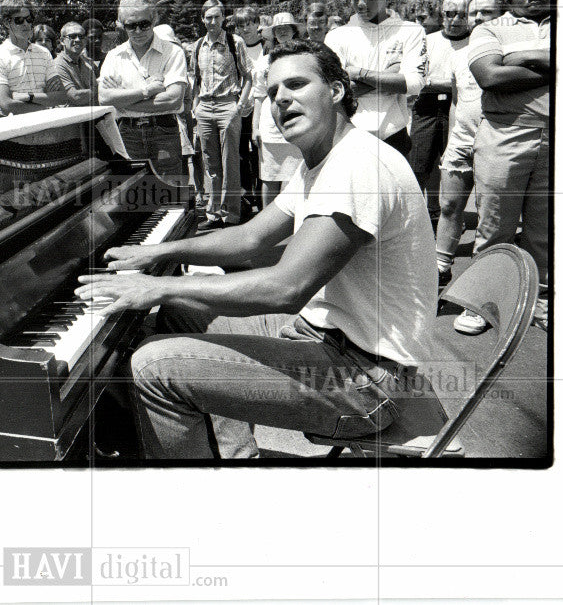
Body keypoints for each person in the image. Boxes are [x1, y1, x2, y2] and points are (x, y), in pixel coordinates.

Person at [76, 40, 436, 459]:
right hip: (324, 334)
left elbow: (286, 289)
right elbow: (251, 237)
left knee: (153, 366)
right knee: (184, 314)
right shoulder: (327, 158)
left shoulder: (357, 166)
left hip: (368, 380)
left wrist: (157, 288)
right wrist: (161, 252)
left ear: (337, 91)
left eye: (297, 84)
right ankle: (235, 455)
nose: (281, 99)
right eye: (273, 91)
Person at [456, 0, 553, 334]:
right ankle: (483, 300)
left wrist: (524, 59)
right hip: (505, 135)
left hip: (561, 139)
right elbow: (490, 77)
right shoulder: (490, 29)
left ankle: (539, 300)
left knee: (544, 229)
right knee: (495, 224)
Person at [435, 0, 504, 289]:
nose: (477, 19)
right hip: (461, 141)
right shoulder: (459, 55)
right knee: (449, 205)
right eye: (473, 13)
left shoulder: (508, 54)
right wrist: (451, 139)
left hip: (496, 141)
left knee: (492, 217)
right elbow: (456, 100)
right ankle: (440, 268)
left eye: (485, 13)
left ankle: (483, 283)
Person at [324, 0, 428, 157]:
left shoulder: (411, 31)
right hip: (349, 135)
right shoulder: (336, 36)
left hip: (393, 135)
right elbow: (333, 91)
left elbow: (414, 84)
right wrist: (391, 75)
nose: (362, 4)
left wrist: (358, 73)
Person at [99, 0, 188, 184]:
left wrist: (123, 103)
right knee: (134, 195)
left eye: (144, 24)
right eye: (131, 25)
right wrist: (147, 91)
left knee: (170, 192)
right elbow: (104, 98)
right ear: (121, 25)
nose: (138, 30)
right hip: (127, 135)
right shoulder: (114, 56)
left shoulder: (173, 52)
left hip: (163, 130)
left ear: (154, 19)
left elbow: (173, 99)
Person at [408, 0, 474, 226]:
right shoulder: (427, 40)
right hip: (425, 107)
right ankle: (415, 219)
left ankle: (451, 217)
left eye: (462, 14)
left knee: (455, 168)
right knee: (418, 165)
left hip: (458, 107)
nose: (455, 20)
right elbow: (416, 77)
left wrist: (442, 83)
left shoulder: (476, 42)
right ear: (442, 14)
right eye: (450, 13)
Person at [191, 0, 253, 230]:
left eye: (217, 17)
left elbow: (248, 77)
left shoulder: (234, 42)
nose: (213, 21)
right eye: (209, 17)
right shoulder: (198, 45)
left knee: (230, 163)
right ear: (203, 19)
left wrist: (239, 106)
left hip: (228, 105)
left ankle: (232, 215)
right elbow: (195, 79)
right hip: (205, 108)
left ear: (223, 18)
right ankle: (213, 214)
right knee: (211, 164)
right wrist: (195, 107)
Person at [251, 13, 303, 207]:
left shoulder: (303, 58)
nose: (282, 32)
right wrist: (255, 127)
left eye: (286, 28)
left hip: (296, 120)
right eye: (277, 29)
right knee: (270, 178)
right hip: (271, 126)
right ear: (272, 33)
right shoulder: (264, 61)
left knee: (296, 179)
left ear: (294, 31)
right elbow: (258, 95)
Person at [0, 0, 65, 115]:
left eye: (29, 19)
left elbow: (61, 96)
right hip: (16, 126)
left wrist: (28, 96)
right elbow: (6, 104)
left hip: (47, 122)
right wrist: (46, 105)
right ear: (7, 23)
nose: (26, 24)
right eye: (19, 20)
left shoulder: (44, 53)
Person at [234, 7, 267, 216]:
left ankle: (264, 199)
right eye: (240, 25)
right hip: (242, 107)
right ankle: (247, 198)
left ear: (257, 23)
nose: (245, 28)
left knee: (260, 154)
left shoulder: (267, 47)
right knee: (241, 154)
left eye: (249, 23)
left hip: (262, 107)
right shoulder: (236, 47)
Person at [51, 21, 98, 106]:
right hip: (70, 117)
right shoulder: (57, 65)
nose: (77, 40)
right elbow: (75, 97)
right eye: (72, 36)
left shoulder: (88, 63)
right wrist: (98, 89)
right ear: (62, 41)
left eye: (81, 36)